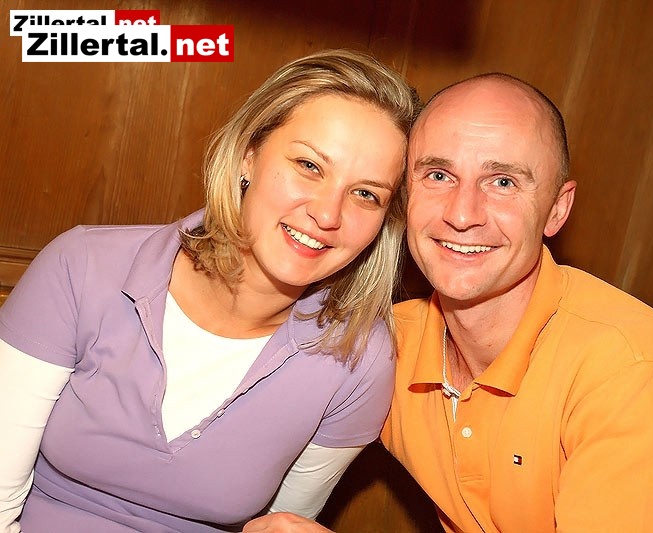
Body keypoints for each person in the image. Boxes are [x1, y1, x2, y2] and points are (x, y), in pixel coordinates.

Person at [245, 73, 653, 532]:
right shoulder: (385, 347)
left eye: (502, 182)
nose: (462, 214)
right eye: (439, 175)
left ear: (556, 209)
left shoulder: (628, 366)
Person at [0, 49, 419, 532]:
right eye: (309, 165)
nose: (328, 214)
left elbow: (281, 526)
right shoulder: (84, 266)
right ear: (248, 155)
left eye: (366, 194)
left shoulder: (359, 360)